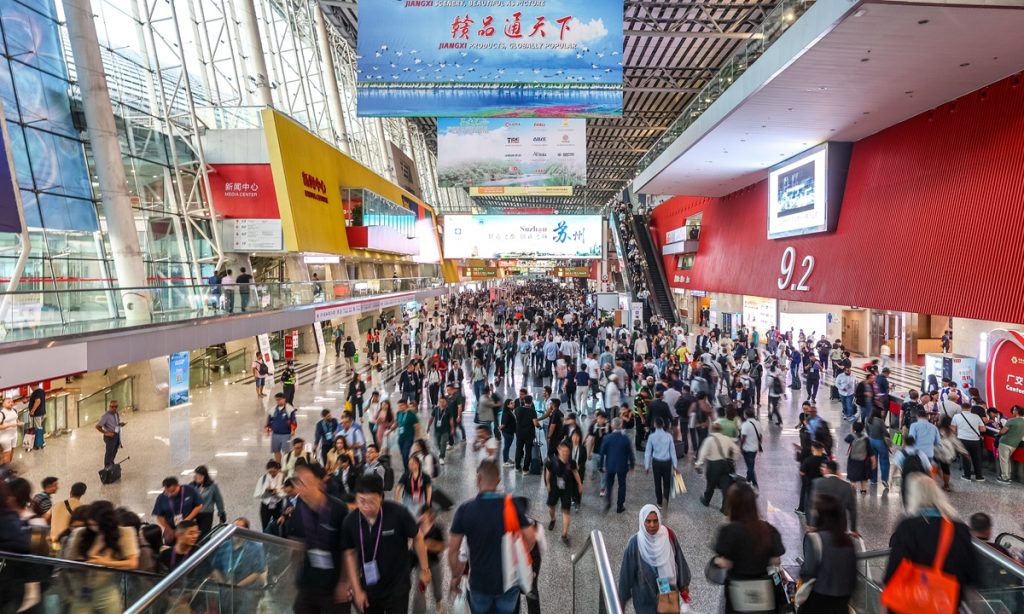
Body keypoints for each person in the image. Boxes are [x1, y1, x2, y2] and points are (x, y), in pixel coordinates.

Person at [449, 460, 536, 613]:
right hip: (509, 584)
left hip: (479, 585)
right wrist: (517, 556)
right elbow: (531, 538)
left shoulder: (465, 510)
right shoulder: (512, 507)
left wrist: (456, 575)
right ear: (498, 481)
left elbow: (453, 550)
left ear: (478, 479)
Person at [883, 474, 977, 606]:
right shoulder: (960, 530)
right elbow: (971, 575)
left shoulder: (908, 527)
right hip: (947, 604)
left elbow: (892, 573)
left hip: (912, 604)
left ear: (913, 497)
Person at [342, 474, 428, 614]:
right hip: (369, 588)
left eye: (371, 501)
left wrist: (425, 569)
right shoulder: (350, 521)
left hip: (397, 587)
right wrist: (357, 589)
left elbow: (417, 537)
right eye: (361, 501)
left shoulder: (398, 513)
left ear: (381, 497)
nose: (366, 507)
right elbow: (350, 554)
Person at [710, 482, 786, 614]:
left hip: (737, 592)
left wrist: (716, 562)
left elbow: (725, 563)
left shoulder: (728, 531)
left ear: (732, 504)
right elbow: (776, 561)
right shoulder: (768, 529)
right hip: (764, 593)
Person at [289, 462, 351, 613]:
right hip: (309, 582)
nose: (301, 487)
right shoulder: (299, 509)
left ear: (319, 482)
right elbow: (297, 543)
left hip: (335, 584)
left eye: (306, 482)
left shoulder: (338, 509)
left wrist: (345, 582)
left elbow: (348, 550)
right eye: (298, 482)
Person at [64, 500, 140, 611]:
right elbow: (69, 560)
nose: (94, 527)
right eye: (90, 524)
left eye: (97, 524)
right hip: (81, 590)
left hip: (107, 591)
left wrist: (104, 563)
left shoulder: (124, 533)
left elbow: (133, 563)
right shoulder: (81, 533)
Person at [617, 504, 692, 613]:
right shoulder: (635, 543)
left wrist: (683, 586)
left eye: (655, 521)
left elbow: (679, 560)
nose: (652, 525)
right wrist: (621, 601)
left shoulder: (668, 535)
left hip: (667, 596)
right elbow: (626, 574)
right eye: (648, 521)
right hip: (645, 600)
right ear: (642, 522)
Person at [798, 494, 858, 613]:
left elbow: (808, 571)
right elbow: (853, 575)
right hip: (842, 602)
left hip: (819, 601)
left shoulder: (814, 539)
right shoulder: (847, 541)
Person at [695, 422, 739, 513]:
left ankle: (706, 501)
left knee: (710, 485)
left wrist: (698, 464)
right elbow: (736, 450)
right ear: (721, 430)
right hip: (724, 465)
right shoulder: (727, 439)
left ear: (712, 429)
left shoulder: (709, 440)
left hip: (713, 466)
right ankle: (725, 508)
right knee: (725, 487)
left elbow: (703, 453)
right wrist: (733, 457)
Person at [545, 441, 582, 546]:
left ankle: (564, 534)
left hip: (567, 489)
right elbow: (548, 472)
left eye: (567, 451)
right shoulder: (552, 461)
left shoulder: (572, 463)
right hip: (554, 487)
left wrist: (580, 484)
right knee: (551, 507)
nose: (565, 453)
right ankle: (553, 519)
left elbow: (575, 472)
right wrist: (547, 483)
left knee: (566, 511)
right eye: (563, 451)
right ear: (558, 450)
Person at [411, 504, 446, 614]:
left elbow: (443, 546)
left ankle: (438, 603)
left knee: (437, 587)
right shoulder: (415, 528)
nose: (426, 516)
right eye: (424, 514)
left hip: (434, 563)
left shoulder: (437, 528)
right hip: (420, 565)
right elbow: (410, 545)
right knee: (419, 591)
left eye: (429, 514)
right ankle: (419, 611)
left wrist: (430, 545)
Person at [810, 461, 858, 534]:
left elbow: (813, 506)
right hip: (840, 526)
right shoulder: (847, 486)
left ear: (828, 469)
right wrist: (853, 529)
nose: (821, 469)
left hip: (821, 525)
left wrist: (812, 525)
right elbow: (852, 510)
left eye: (823, 467)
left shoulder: (816, 482)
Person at [152, 477, 204, 545]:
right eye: (167, 491)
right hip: (172, 530)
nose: (170, 494)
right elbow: (159, 516)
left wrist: (187, 520)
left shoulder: (189, 490)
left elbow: (199, 505)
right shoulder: (161, 498)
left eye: (173, 491)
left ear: (178, 486)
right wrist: (168, 529)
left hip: (189, 526)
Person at [601, 417, 636, 513]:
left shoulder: (607, 438)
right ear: (621, 426)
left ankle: (608, 502)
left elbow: (602, 453)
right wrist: (632, 465)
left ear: (612, 426)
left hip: (610, 465)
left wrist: (601, 466)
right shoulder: (625, 439)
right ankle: (620, 506)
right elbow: (630, 453)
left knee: (609, 484)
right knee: (622, 485)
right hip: (622, 466)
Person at [644, 417, 679, 508]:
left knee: (657, 482)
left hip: (656, 462)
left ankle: (659, 502)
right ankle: (665, 501)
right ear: (663, 425)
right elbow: (673, 452)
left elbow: (648, 452)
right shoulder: (669, 436)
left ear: (655, 425)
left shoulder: (651, 437)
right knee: (667, 483)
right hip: (667, 462)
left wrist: (646, 466)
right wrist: (675, 465)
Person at [951, 405, 986, 481]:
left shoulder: (956, 416)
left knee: (966, 458)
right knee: (976, 458)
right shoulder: (976, 416)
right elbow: (983, 429)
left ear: (962, 408)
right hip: (975, 440)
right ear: (970, 409)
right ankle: (979, 476)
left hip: (962, 439)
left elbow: (953, 429)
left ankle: (967, 476)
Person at [191, 465, 227, 538]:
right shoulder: (191, 486)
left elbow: (219, 500)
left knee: (205, 535)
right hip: (194, 514)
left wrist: (221, 513)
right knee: (194, 535)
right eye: (196, 475)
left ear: (205, 476)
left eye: (200, 475)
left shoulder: (212, 486)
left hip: (206, 514)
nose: (198, 477)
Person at [50, 481, 86, 546]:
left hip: (52, 542)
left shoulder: (56, 504)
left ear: (71, 491)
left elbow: (46, 518)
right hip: (66, 543)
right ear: (83, 493)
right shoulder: (82, 508)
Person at [844, 422, 875, 494]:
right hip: (863, 461)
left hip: (853, 459)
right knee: (863, 476)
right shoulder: (866, 438)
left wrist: (852, 432)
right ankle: (863, 490)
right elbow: (870, 450)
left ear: (854, 428)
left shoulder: (851, 436)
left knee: (853, 476)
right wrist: (873, 461)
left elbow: (846, 439)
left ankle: (853, 488)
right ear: (862, 428)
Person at [254, 460, 285, 532]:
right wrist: (266, 492)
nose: (272, 474)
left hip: (278, 505)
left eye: (274, 471)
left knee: (278, 525)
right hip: (265, 506)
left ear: (278, 470)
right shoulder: (263, 479)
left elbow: (286, 493)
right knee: (265, 525)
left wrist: (276, 493)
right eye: (270, 472)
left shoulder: (282, 478)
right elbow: (256, 494)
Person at [95, 399, 126, 469]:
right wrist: (106, 432)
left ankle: (111, 463)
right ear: (109, 406)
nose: (114, 408)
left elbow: (116, 424)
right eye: (112, 407)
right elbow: (98, 426)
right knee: (109, 452)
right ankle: (107, 467)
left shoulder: (116, 414)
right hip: (110, 437)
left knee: (115, 450)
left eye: (116, 406)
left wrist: (120, 424)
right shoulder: (106, 416)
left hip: (116, 434)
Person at [266, 393, 297, 463]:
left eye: (280, 399)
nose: (278, 401)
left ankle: (285, 465)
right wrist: (268, 429)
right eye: (276, 400)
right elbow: (269, 421)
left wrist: (293, 430)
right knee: (276, 451)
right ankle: (278, 465)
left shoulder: (290, 409)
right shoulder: (272, 410)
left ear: (284, 399)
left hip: (286, 434)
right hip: (275, 434)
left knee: (286, 451)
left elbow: (293, 421)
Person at [997, 404, 1024, 483]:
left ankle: (1005, 478)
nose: (1013, 411)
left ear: (1017, 412)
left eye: (1014, 410)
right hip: (1015, 444)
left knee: (1004, 460)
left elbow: (1003, 431)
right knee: (1007, 460)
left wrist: (999, 432)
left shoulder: (1011, 421)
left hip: (1005, 442)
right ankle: (1007, 476)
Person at [514, 394, 539, 472]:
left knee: (518, 449)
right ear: (531, 402)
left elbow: (515, 418)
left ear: (524, 401)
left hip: (519, 433)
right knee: (528, 451)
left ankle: (517, 467)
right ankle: (525, 469)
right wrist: (538, 425)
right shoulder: (532, 411)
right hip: (529, 434)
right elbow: (535, 423)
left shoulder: (517, 409)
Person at [739, 409, 762, 488]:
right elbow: (760, 436)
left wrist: (741, 447)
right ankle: (748, 480)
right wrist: (759, 444)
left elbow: (743, 437)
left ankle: (755, 484)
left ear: (746, 415)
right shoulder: (758, 423)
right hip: (755, 448)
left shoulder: (745, 424)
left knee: (750, 467)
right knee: (750, 465)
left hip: (747, 449)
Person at [395, 400, 420, 469]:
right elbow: (397, 423)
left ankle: (408, 470)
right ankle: (407, 467)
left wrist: (417, 439)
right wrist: (391, 429)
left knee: (405, 454)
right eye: (398, 406)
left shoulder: (411, 415)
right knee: (403, 455)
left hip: (409, 437)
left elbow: (417, 427)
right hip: (400, 438)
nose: (399, 407)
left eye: (400, 406)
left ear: (405, 405)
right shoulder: (398, 413)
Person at [0, 397, 19, 465]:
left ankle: (7, 468)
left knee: (12, 451)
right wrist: (11, 425)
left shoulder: (14, 410)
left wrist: (18, 423)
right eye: (9, 402)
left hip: (14, 434)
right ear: (3, 404)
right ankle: (4, 470)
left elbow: (16, 419)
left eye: (12, 402)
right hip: (5, 437)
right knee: (7, 454)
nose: (11, 403)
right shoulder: (1, 413)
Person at [28, 384, 45, 450]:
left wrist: (32, 411)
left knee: (37, 429)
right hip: (41, 412)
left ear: (33, 385)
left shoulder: (36, 392)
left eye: (30, 386)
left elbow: (38, 401)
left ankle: (38, 444)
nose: (30, 387)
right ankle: (40, 443)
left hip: (36, 414)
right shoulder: (41, 391)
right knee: (39, 428)